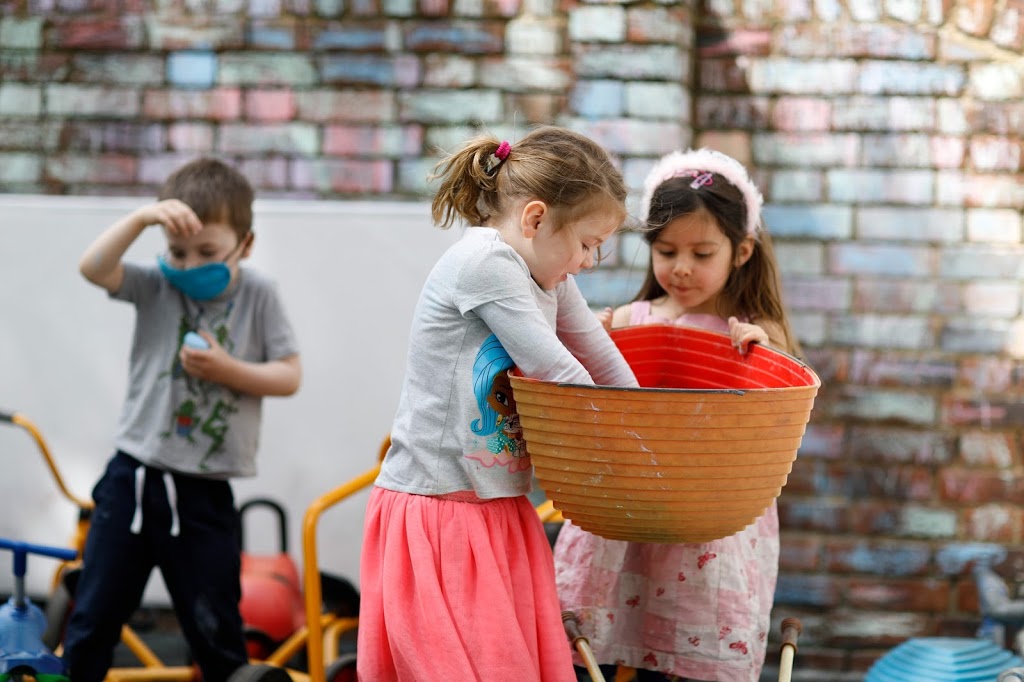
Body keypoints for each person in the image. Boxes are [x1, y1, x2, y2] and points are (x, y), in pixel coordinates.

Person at [356, 126, 640, 681]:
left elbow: (601, 359)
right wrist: (628, 451)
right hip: (441, 510)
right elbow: (557, 370)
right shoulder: (485, 264)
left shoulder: (548, 274)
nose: (587, 262)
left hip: (496, 504)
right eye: (587, 244)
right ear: (535, 219)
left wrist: (650, 430)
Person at [554, 148, 801, 682]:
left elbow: (782, 403)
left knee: (687, 649)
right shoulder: (626, 321)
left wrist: (764, 351)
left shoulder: (751, 332)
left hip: (710, 520)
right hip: (625, 508)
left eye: (701, 252)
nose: (680, 267)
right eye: (665, 251)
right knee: (601, 645)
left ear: (741, 252)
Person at [64, 158, 302, 682]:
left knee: (215, 628)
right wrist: (142, 219)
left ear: (246, 245)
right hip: (134, 479)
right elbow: (92, 267)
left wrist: (228, 369)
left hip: (204, 492)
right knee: (92, 620)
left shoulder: (258, 295)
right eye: (177, 252)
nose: (190, 266)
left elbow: (289, 376)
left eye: (208, 253)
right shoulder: (156, 285)